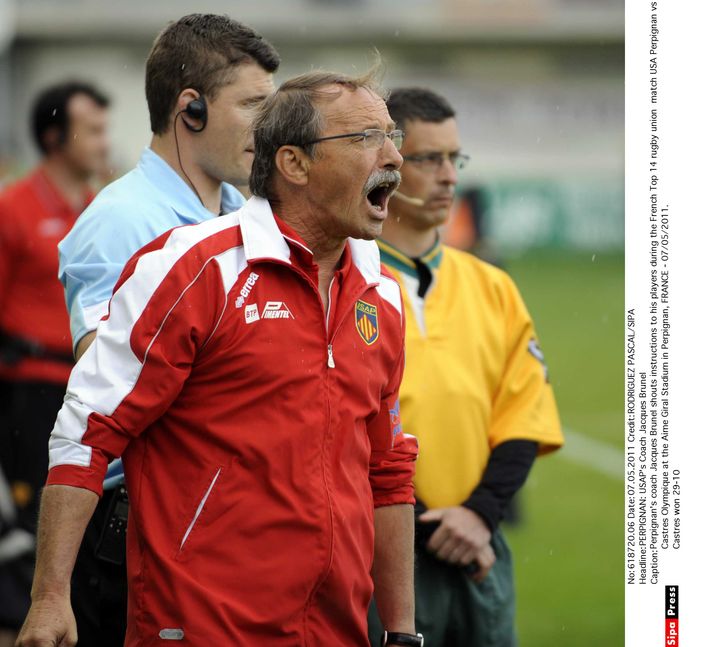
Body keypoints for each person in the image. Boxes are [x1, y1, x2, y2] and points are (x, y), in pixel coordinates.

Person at [17, 68, 422, 647]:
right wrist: (51, 596)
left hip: (336, 632)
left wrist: (402, 631)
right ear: (295, 164)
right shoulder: (193, 266)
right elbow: (87, 431)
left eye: (392, 136)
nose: (392, 157)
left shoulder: (380, 293)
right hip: (203, 627)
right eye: (363, 139)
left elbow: (386, 472)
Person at [54, 14, 280, 647]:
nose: (269, 126)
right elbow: (103, 383)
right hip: (141, 530)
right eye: (254, 105)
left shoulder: (242, 212)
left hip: (222, 520)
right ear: (192, 109)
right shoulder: (120, 220)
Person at [368, 87, 565, 646]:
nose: (449, 175)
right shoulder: (345, 279)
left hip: (480, 546)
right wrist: (430, 523)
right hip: (380, 552)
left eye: (456, 158)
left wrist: (479, 516)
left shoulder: (492, 285)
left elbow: (526, 413)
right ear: (386, 164)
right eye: (429, 159)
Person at [0, 81, 110, 645]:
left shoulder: (98, 208)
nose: (104, 141)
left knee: (87, 522)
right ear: (53, 136)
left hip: (91, 390)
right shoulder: (13, 207)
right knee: (27, 527)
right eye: (91, 129)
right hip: (31, 390)